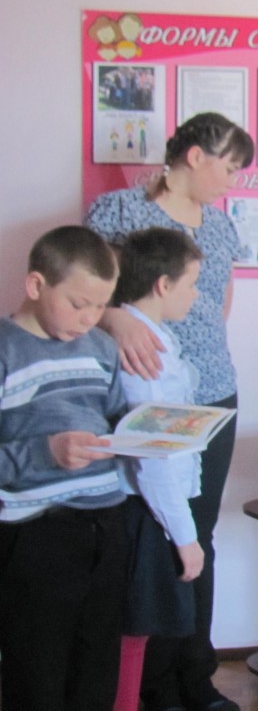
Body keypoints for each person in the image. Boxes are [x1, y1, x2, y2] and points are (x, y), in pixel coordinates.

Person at [86, 111, 254, 711]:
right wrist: (116, 320)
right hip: (145, 389)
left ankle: (195, 675)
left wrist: (198, 359)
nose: (233, 181)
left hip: (211, 393)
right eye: (230, 167)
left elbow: (219, 302)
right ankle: (149, 684)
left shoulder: (221, 225)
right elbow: (86, 291)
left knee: (198, 536)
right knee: (154, 537)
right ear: (195, 156)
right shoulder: (118, 212)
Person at [0, 225, 127, 709]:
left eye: (101, 306)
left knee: (97, 665)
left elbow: (117, 421)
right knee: (37, 672)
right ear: (36, 285)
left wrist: (151, 435)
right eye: (78, 304)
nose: (90, 318)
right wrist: (46, 452)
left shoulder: (101, 348)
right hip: (34, 533)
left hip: (107, 523)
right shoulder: (6, 349)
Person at [110, 228, 206, 711]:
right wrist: (186, 536)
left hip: (149, 506)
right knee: (133, 629)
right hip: (144, 510)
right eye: (191, 283)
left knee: (138, 630)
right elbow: (154, 455)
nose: (196, 295)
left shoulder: (151, 335)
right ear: (163, 285)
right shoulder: (145, 350)